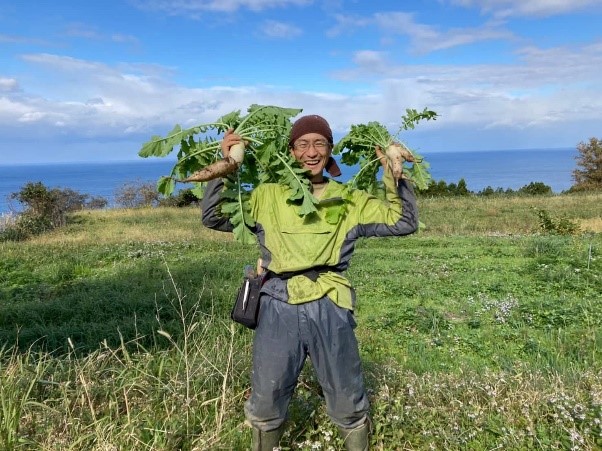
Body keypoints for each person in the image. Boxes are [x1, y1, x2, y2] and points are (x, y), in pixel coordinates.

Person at [201, 114, 418, 450]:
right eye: (302, 144)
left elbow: (402, 221)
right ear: (291, 151)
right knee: (266, 401)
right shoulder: (266, 195)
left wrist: (393, 170)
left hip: (329, 303)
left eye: (319, 143)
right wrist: (228, 162)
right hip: (276, 303)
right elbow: (213, 216)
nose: (311, 151)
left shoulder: (350, 200)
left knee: (347, 398)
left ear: (330, 150)